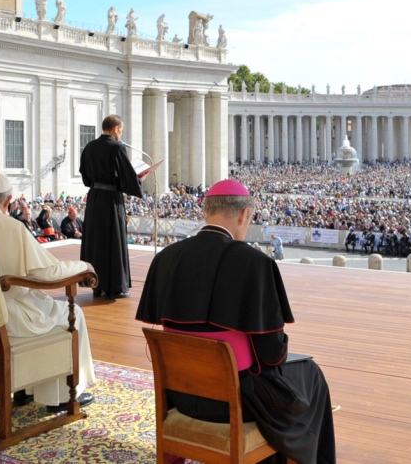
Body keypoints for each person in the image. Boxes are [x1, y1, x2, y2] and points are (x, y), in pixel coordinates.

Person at [136, 179, 336, 463]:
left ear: (206, 212)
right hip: (237, 403)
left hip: (181, 396)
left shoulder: (166, 258)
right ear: (244, 214)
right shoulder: (256, 264)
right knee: (312, 375)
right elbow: (272, 355)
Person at [0, 173, 96, 411]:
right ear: (8, 201)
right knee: (71, 315)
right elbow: (48, 273)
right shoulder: (10, 227)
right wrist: (83, 267)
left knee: (43, 309)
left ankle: (23, 390)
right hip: (5, 319)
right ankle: (61, 397)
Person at [79, 115, 143, 299]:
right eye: (121, 130)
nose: (121, 134)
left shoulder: (89, 147)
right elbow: (127, 178)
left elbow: (85, 178)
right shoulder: (117, 147)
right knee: (113, 241)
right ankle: (115, 287)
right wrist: (139, 180)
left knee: (96, 241)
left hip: (94, 199)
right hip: (110, 200)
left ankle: (97, 285)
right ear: (116, 129)